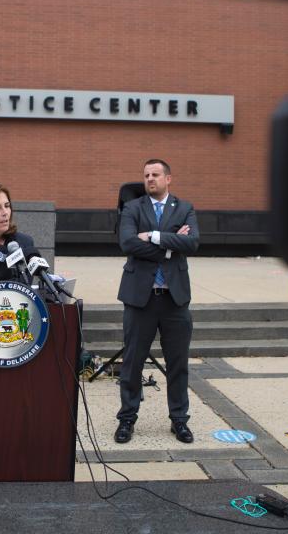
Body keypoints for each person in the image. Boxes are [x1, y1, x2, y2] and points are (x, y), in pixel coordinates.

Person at [114, 159, 199, 444]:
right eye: (146, 175)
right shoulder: (132, 208)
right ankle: (127, 419)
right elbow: (127, 243)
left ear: (168, 178)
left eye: (155, 174)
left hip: (174, 300)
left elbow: (192, 243)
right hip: (141, 299)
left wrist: (153, 236)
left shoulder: (184, 208)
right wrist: (168, 247)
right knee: (132, 363)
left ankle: (179, 420)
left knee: (178, 364)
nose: (150, 179)